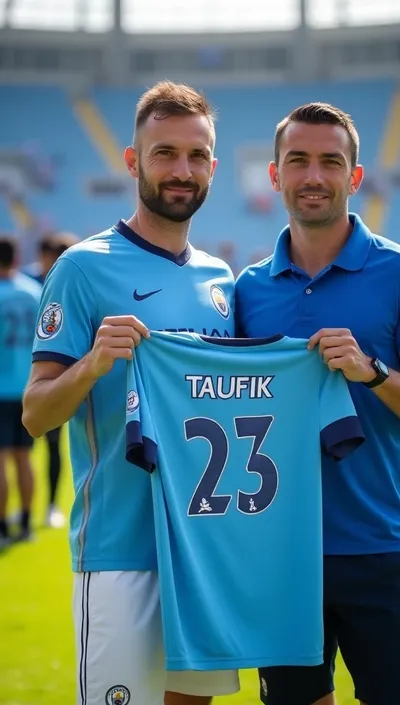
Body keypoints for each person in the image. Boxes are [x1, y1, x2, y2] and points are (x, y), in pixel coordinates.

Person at [22, 81, 239, 705]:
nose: (182, 170)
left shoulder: (220, 279)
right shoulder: (83, 267)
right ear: (131, 161)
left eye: (197, 156)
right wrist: (91, 364)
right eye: (164, 153)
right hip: (120, 550)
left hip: (203, 550)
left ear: (213, 167)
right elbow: (36, 415)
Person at [235, 102, 400, 705]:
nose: (314, 176)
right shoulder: (247, 289)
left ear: (354, 177)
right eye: (298, 161)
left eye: (331, 162)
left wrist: (373, 372)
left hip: (376, 545)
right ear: (276, 175)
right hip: (279, 553)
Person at [24, 231, 79, 528]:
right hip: (25, 378)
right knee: (20, 452)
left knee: (54, 446)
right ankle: (22, 511)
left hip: (55, 379)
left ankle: (50, 506)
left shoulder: (71, 285)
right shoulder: (28, 286)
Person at [0, 237, 42, 547]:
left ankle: (2, 527)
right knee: (24, 459)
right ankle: (26, 522)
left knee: (1, 461)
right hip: (28, 386)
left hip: (1, 388)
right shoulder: (34, 292)